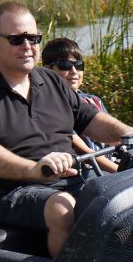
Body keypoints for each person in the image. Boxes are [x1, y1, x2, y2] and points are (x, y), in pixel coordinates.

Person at [0, 1, 133, 257]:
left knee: (126, 197)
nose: (27, 47)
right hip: (7, 192)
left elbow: (91, 120)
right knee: (62, 208)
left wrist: (127, 131)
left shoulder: (52, 80)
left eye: (33, 38)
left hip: (70, 178)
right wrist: (33, 169)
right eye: (16, 39)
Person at [41, 37, 118, 173]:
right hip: (89, 173)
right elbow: (85, 152)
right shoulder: (49, 107)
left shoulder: (94, 101)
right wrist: (120, 171)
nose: (74, 71)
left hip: (112, 165)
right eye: (65, 65)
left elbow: (113, 139)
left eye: (78, 65)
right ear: (47, 70)